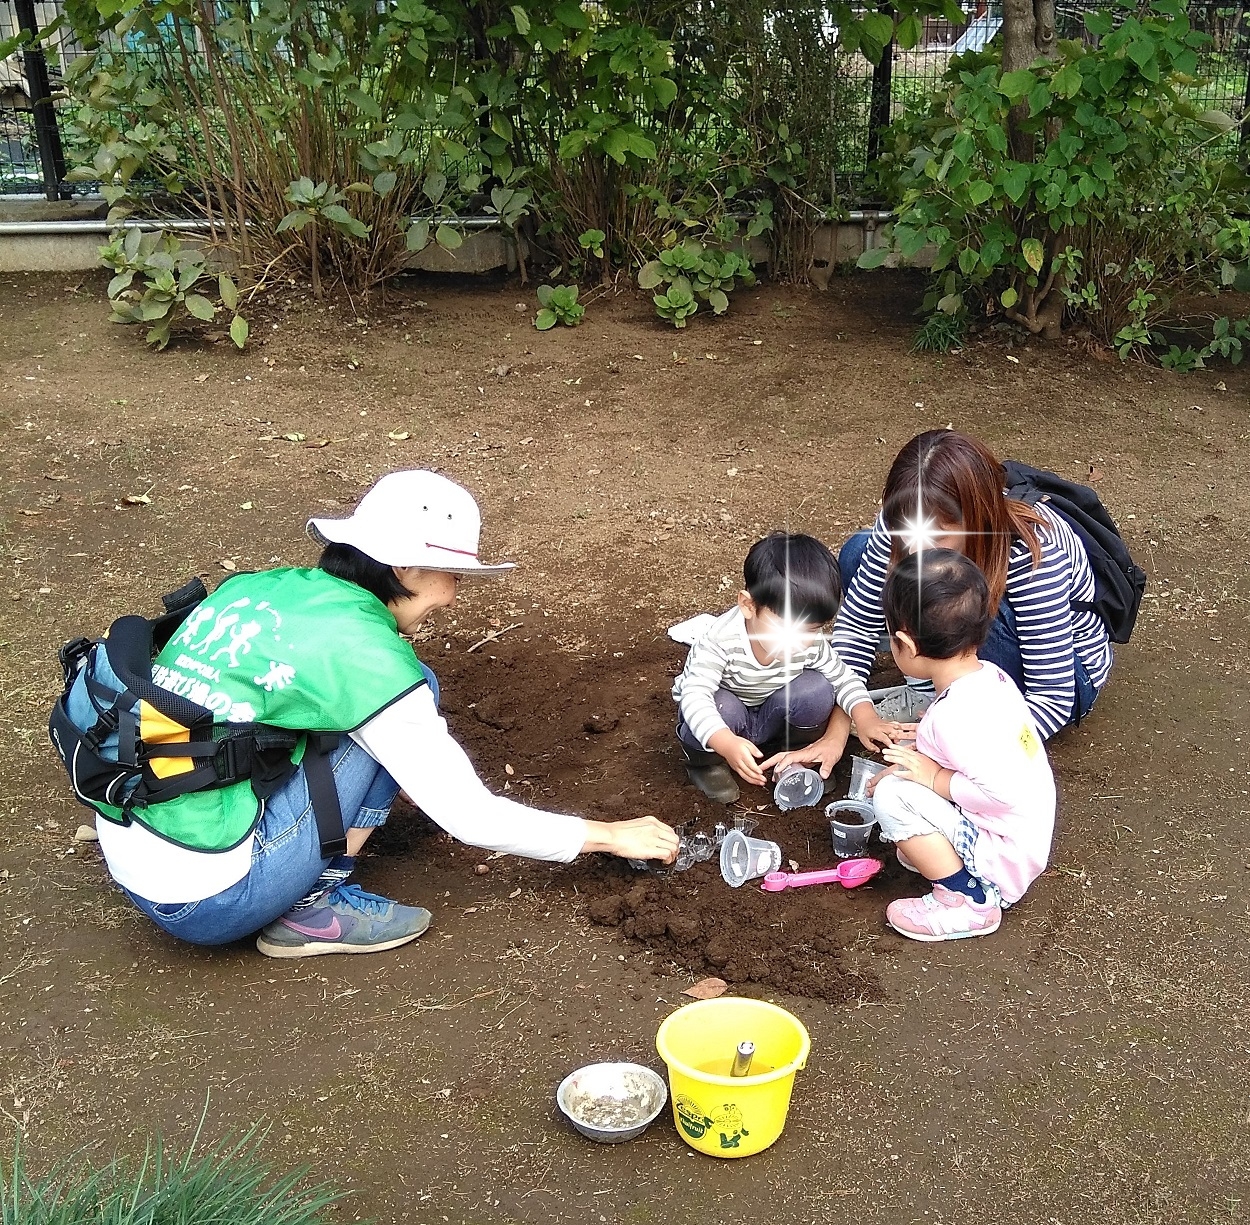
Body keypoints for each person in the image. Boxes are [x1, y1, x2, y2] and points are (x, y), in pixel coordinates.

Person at [71, 470, 680, 958]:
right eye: (451, 574)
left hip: (141, 836)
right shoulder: (369, 663)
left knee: (398, 702)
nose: (453, 592)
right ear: (407, 568)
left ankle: (299, 864)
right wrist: (608, 835)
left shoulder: (258, 588)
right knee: (406, 698)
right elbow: (471, 817)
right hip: (213, 899)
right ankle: (314, 902)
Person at [831, 430, 1114, 742]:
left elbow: (1054, 699)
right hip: (980, 640)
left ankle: (942, 696)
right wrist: (842, 722)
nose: (915, 548)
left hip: (1063, 675)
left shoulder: (1032, 557)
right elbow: (856, 626)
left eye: (935, 535)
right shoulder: (907, 518)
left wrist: (955, 754)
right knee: (859, 553)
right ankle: (931, 685)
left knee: (962, 609)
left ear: (977, 520)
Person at [867, 549, 1056, 942]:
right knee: (906, 781)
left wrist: (933, 777)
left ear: (906, 644)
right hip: (1025, 834)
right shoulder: (988, 677)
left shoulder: (955, 717)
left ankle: (968, 899)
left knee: (889, 795)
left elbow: (1002, 793)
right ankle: (942, 855)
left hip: (1004, 854)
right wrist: (922, 748)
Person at [672, 532, 901, 804]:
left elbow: (844, 679)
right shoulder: (720, 640)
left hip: (771, 713)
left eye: (811, 629)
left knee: (817, 688)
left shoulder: (810, 643)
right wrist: (724, 742)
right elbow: (695, 696)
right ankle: (707, 764)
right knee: (721, 705)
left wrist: (866, 717)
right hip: (727, 721)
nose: (797, 641)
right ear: (748, 605)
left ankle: (798, 752)